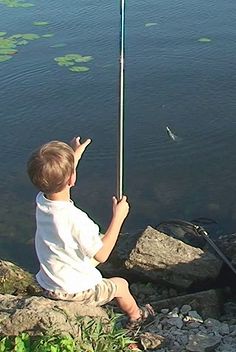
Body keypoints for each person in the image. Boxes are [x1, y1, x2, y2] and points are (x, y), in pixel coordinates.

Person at [27, 136, 154, 329]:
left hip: (48, 282)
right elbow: (102, 255)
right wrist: (118, 218)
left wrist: (74, 155)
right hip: (71, 291)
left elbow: (59, 178)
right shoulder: (75, 219)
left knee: (100, 239)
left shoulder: (42, 201)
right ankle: (137, 317)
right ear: (72, 178)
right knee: (120, 285)